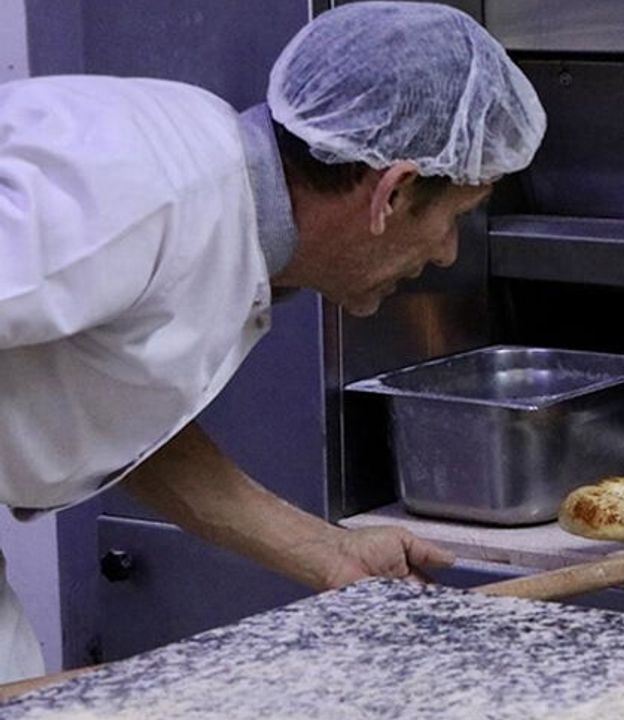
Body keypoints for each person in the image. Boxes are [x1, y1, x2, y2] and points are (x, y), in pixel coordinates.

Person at [0, 1, 546, 682]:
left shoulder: (210, 210)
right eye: (455, 217)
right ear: (394, 192)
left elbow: (94, 406)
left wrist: (324, 551)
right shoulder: (137, 197)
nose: (446, 252)